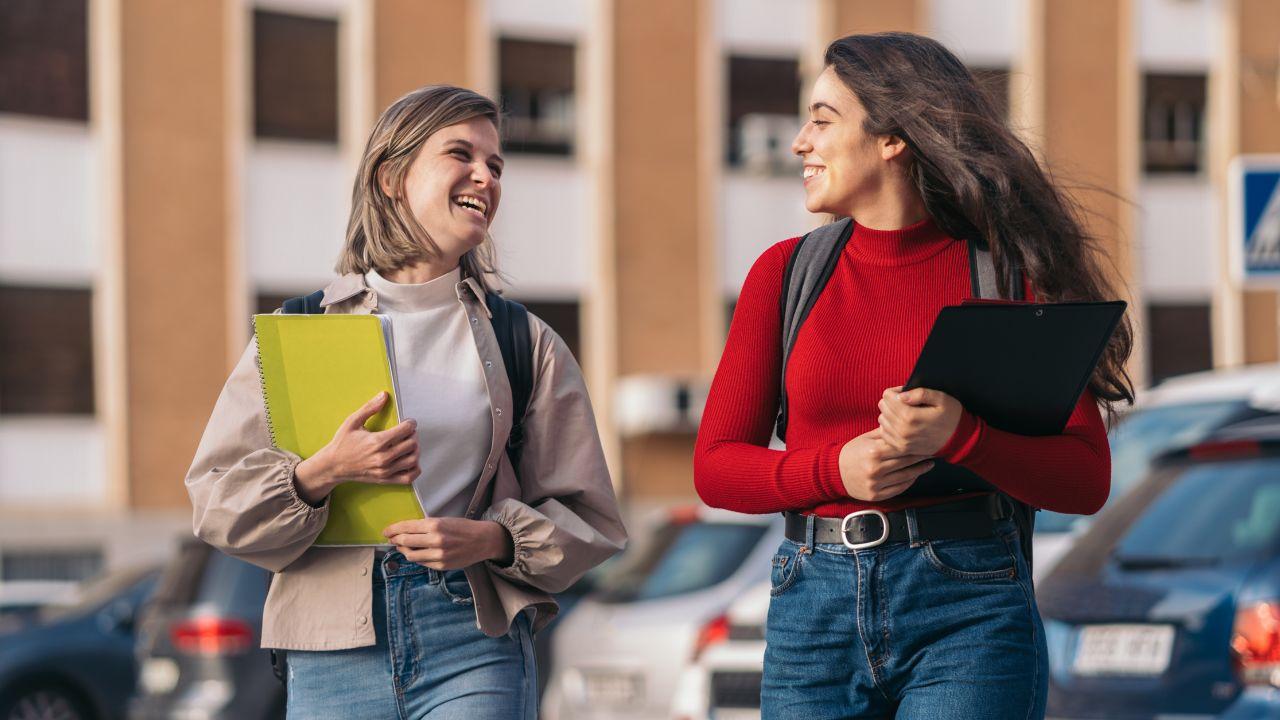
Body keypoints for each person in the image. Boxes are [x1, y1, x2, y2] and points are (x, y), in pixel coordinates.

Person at [693, 33, 1134, 719]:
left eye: (822, 121)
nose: (800, 143)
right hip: (811, 612)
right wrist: (835, 470)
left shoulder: (1009, 275)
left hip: (970, 607)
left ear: (892, 139)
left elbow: (1086, 479)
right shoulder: (784, 275)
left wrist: (964, 438)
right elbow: (716, 468)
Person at [186, 85, 626, 720]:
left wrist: (493, 540)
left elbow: (592, 517)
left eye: (496, 165)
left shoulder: (525, 341)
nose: (486, 177)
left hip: (473, 637)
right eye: (461, 155)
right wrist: (322, 472)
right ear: (391, 177)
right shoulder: (299, 332)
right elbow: (215, 500)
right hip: (332, 647)